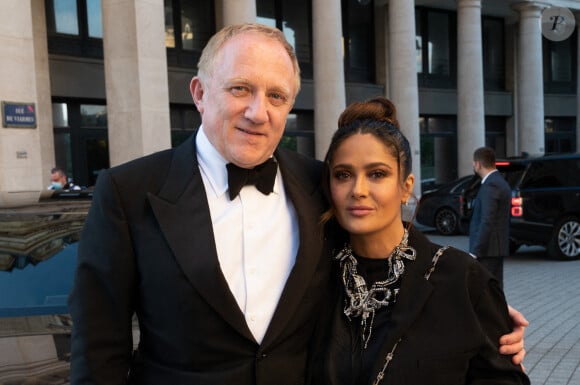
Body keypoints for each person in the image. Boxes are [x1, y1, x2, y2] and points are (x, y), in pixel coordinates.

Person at [68, 24, 526, 385]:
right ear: (200, 93)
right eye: (240, 89)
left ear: (290, 106)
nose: (257, 111)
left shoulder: (318, 181)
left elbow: (387, 249)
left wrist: (477, 308)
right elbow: (98, 351)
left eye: (276, 96)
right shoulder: (127, 192)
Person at [318, 97, 529, 384]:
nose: (358, 189)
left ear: (406, 188)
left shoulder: (461, 279)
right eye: (343, 175)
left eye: (377, 174)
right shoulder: (313, 279)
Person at [469, 147, 512, 286]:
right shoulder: (499, 181)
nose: (473, 166)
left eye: (473, 163)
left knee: (484, 292)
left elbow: (487, 220)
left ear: (478, 164)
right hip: (495, 248)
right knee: (494, 291)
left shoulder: (491, 185)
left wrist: (475, 251)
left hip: (487, 251)